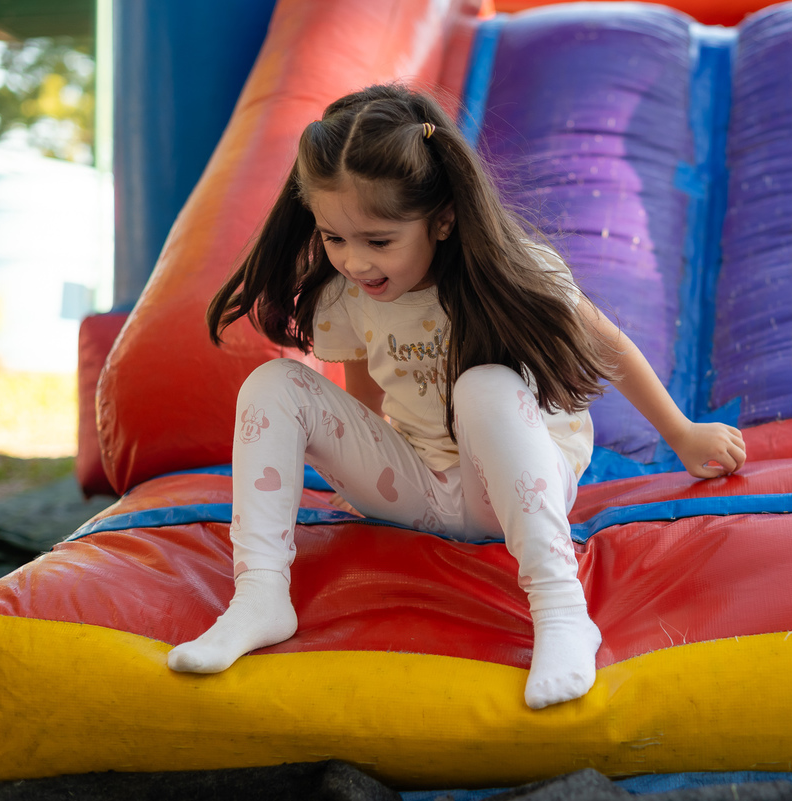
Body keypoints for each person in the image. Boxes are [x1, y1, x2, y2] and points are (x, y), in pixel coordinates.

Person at [167, 84, 746, 709]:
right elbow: (362, 396)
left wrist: (682, 433)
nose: (355, 262)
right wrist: (359, 465)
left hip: (510, 492)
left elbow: (609, 345)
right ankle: (259, 593)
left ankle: (561, 610)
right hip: (417, 491)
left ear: (441, 219)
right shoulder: (345, 293)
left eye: (378, 241)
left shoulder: (517, 270)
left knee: (484, 385)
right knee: (272, 383)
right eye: (334, 238)